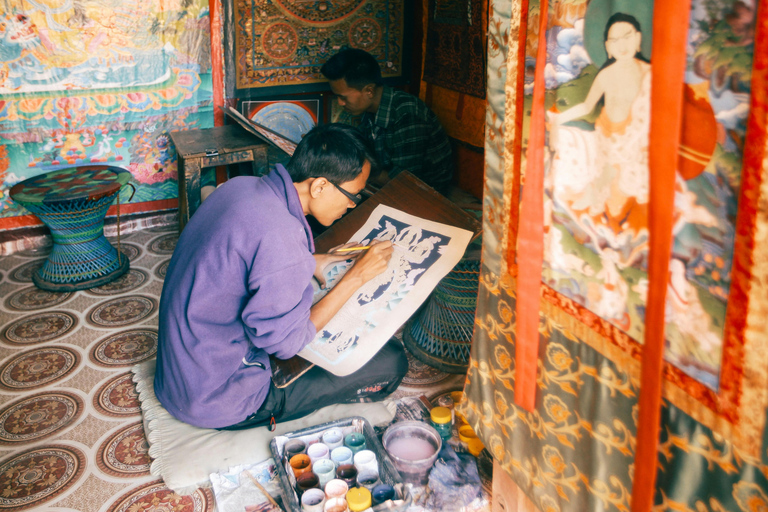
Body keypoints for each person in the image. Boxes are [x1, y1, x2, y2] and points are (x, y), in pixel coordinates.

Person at [153, 123, 409, 430]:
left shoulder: (242, 187)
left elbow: (247, 254)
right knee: (390, 361)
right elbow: (285, 345)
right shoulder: (281, 234)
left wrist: (310, 260)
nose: (352, 206)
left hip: (181, 376)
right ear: (320, 187)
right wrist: (356, 277)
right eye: (352, 195)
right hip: (219, 397)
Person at [321, 48, 454, 196]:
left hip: (424, 195)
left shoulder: (407, 114)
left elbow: (404, 183)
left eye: (343, 97)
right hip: (394, 187)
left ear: (369, 91)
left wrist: (356, 168)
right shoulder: (371, 109)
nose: (340, 103)